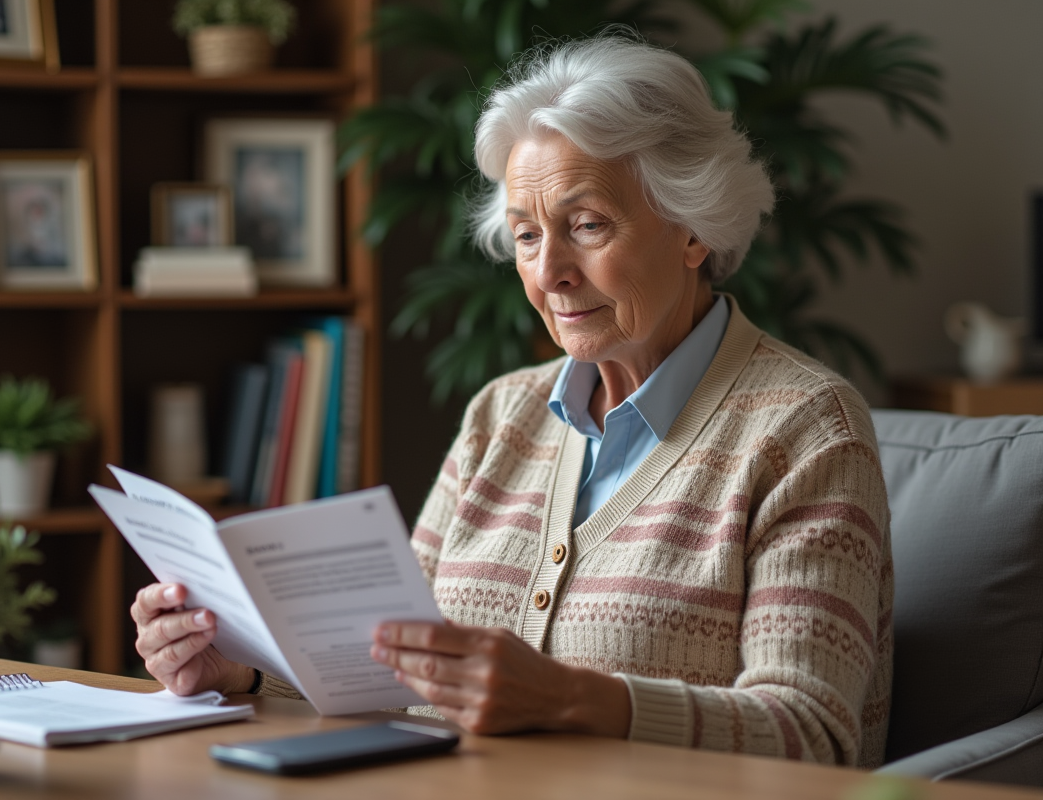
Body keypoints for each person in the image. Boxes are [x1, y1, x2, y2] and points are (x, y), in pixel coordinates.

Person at [131, 34, 893, 768]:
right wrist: (242, 672)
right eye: (527, 236)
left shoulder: (805, 429)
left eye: (587, 225)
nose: (550, 272)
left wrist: (569, 700)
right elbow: (393, 667)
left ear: (691, 229)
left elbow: (815, 737)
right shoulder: (502, 414)